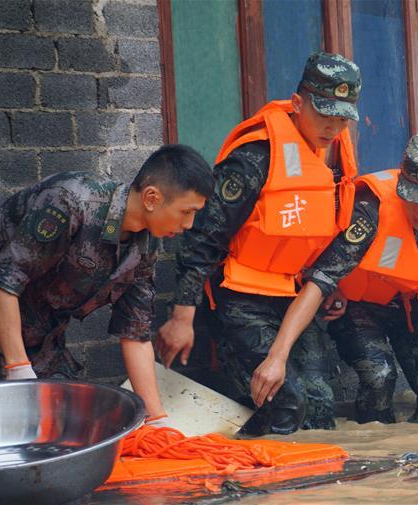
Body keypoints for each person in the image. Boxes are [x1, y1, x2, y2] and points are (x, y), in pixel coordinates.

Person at [154, 52, 362, 435]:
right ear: (298, 104)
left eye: (342, 118)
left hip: (294, 295)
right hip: (240, 298)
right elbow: (203, 236)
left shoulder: (336, 156)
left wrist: (338, 287)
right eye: (323, 115)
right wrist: (182, 317)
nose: (333, 127)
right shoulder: (254, 157)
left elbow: (325, 232)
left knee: (320, 409)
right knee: (287, 403)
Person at [0, 144, 212, 423]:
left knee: (72, 423)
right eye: (186, 211)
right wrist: (17, 368)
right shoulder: (71, 201)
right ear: (151, 198)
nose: (190, 224)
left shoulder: (146, 244)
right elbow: (2, 281)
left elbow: (135, 333)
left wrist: (155, 417)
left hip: (40, 339)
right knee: (9, 433)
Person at [270, 133, 418, 424]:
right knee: (380, 377)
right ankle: (374, 454)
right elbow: (320, 282)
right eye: (412, 198)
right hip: (362, 307)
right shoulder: (371, 212)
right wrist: (277, 356)